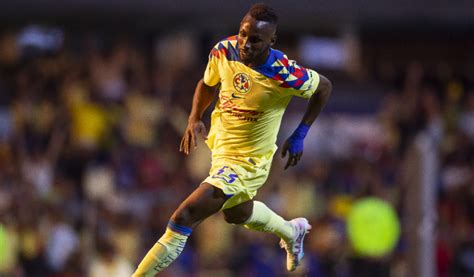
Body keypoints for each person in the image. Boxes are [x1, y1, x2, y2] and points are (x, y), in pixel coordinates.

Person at [133, 3, 332, 276]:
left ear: (271, 41)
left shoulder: (283, 72)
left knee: (184, 217)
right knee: (236, 214)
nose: (245, 43)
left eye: (255, 40)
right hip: (221, 151)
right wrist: (194, 117)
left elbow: (324, 87)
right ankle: (291, 230)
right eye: (242, 33)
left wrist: (300, 133)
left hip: (249, 162)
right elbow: (207, 83)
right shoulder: (224, 50)